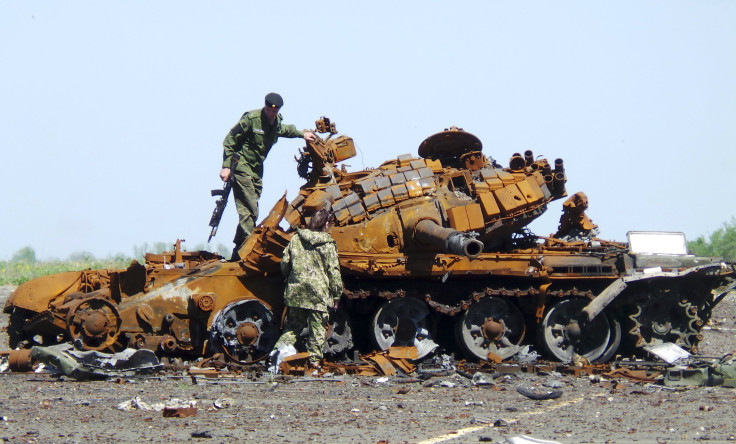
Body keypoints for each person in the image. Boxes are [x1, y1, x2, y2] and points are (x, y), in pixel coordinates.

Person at [220, 92, 317, 260]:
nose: (272, 113)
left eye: (276, 111)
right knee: (251, 210)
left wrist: (303, 134)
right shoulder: (251, 119)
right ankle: (246, 253)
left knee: (249, 212)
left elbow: (284, 129)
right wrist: (226, 167)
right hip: (242, 166)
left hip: (257, 170)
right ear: (265, 107)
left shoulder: (276, 121)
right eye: (270, 110)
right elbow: (230, 140)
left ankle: (238, 250)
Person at [271, 202, 343, 373]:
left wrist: (291, 278)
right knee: (317, 329)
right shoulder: (328, 243)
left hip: (296, 291)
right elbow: (334, 271)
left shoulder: (296, 238)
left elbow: (285, 263)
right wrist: (336, 294)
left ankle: (276, 356)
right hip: (318, 294)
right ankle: (314, 364)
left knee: (293, 327)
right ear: (326, 224)